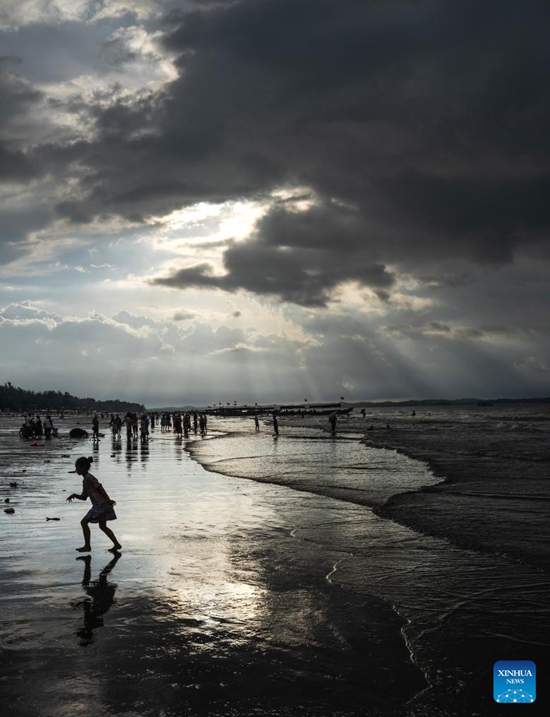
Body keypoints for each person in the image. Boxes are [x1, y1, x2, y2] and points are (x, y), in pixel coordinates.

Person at [66, 456, 121, 553]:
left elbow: (100, 487)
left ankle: (87, 546)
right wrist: (74, 495)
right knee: (102, 526)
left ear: (82, 467)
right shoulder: (85, 480)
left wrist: (108, 499)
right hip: (101, 505)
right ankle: (116, 544)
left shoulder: (89, 477)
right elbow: (84, 497)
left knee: (84, 522)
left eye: (77, 467)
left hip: (100, 505)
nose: (76, 470)